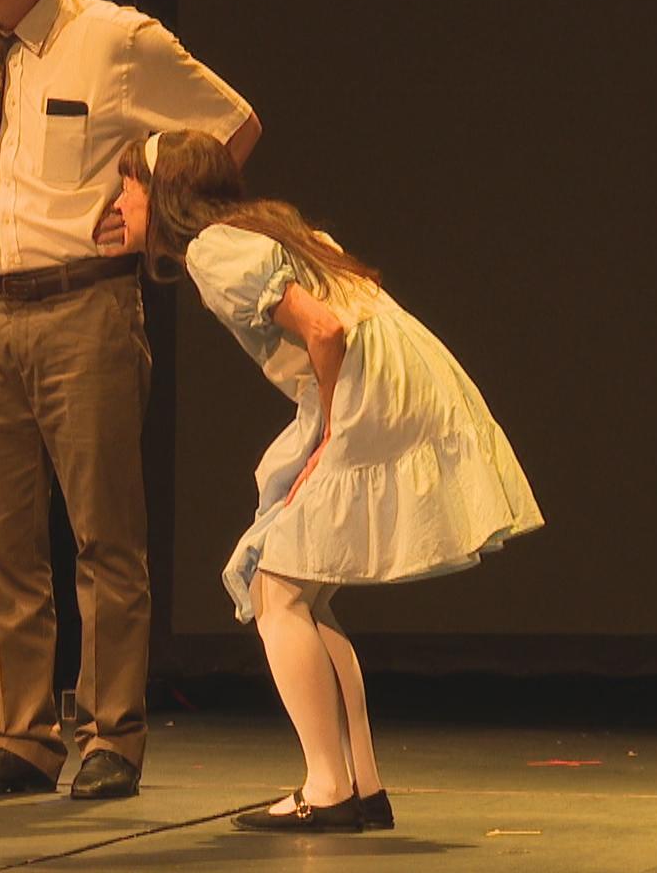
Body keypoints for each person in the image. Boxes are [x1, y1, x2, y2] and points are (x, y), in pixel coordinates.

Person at [0, 0, 261, 800]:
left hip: (83, 308)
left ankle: (111, 735)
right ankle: (23, 739)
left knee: (104, 537)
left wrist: (159, 225)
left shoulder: (116, 40)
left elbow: (232, 125)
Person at [109, 130, 544, 831]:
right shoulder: (264, 227)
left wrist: (336, 429)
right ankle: (361, 785)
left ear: (163, 195)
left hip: (369, 389)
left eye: (129, 186)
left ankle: (330, 787)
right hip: (397, 376)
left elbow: (324, 329)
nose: (119, 200)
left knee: (274, 589)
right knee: (303, 594)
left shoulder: (213, 249)